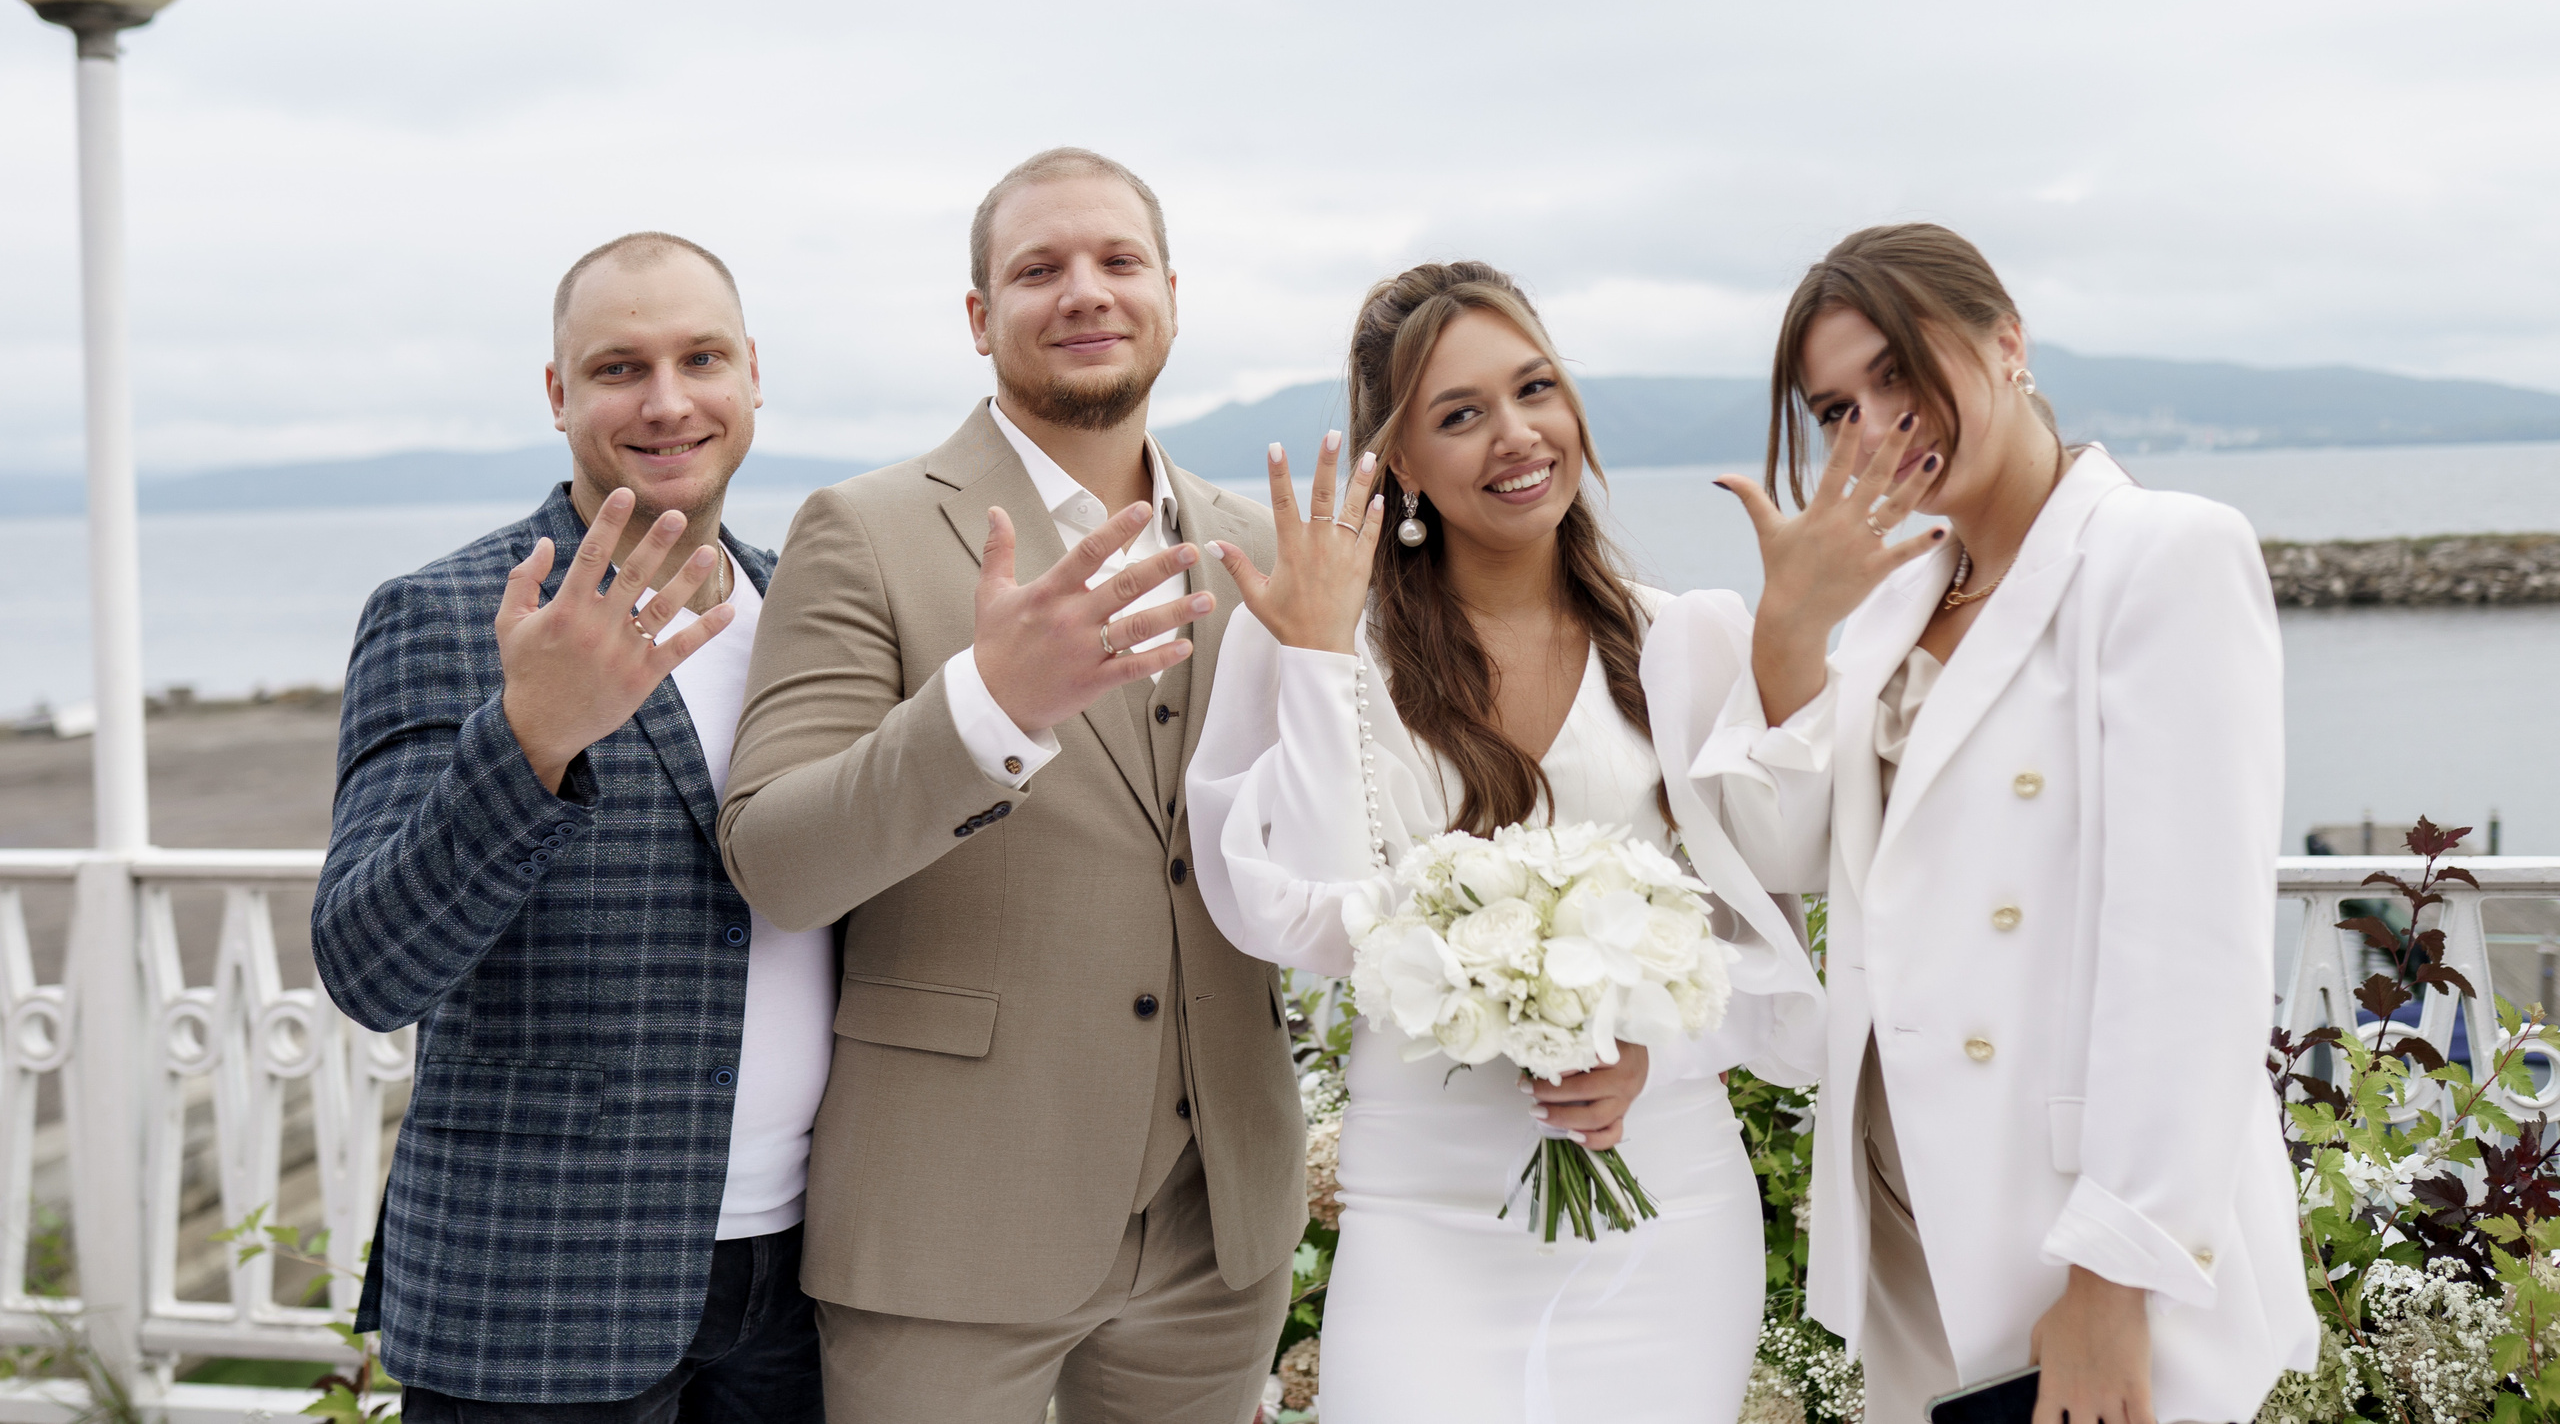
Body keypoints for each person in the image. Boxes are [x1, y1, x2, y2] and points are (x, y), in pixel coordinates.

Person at [716, 147, 1305, 1424]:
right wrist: (989, 708)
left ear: (1169, 296)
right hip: (950, 1227)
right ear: (981, 319)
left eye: (1117, 260)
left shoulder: (1256, 547)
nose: (1084, 292)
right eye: (1038, 269)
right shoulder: (861, 529)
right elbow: (775, 858)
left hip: (1219, 1232)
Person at [1184, 261, 1826, 1424]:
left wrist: (1653, 1054)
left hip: (1666, 1208)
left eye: (1536, 389)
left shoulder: (1684, 642)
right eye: (1459, 415)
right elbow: (1306, 923)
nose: (1518, 435)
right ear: (1402, 464)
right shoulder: (1314, 641)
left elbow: (1765, 942)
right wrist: (1323, 662)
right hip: (1425, 1214)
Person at [1700, 224, 2319, 1424]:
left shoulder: (2157, 554)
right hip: (1912, 1211)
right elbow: (1787, 858)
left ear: (2007, 342)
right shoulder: (1901, 595)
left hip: (2070, 1233)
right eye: (1835, 410)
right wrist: (1789, 630)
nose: (1874, 429)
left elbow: (2191, 951)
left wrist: (2114, 1269)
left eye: (1897, 373)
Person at [313, 233, 830, 1421]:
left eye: (701, 357)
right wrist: (532, 739)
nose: (665, 401)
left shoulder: (813, 614)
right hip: (539, 1300)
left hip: (808, 1287)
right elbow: (367, 967)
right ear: (558, 395)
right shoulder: (447, 614)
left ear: (752, 373)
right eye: (615, 368)